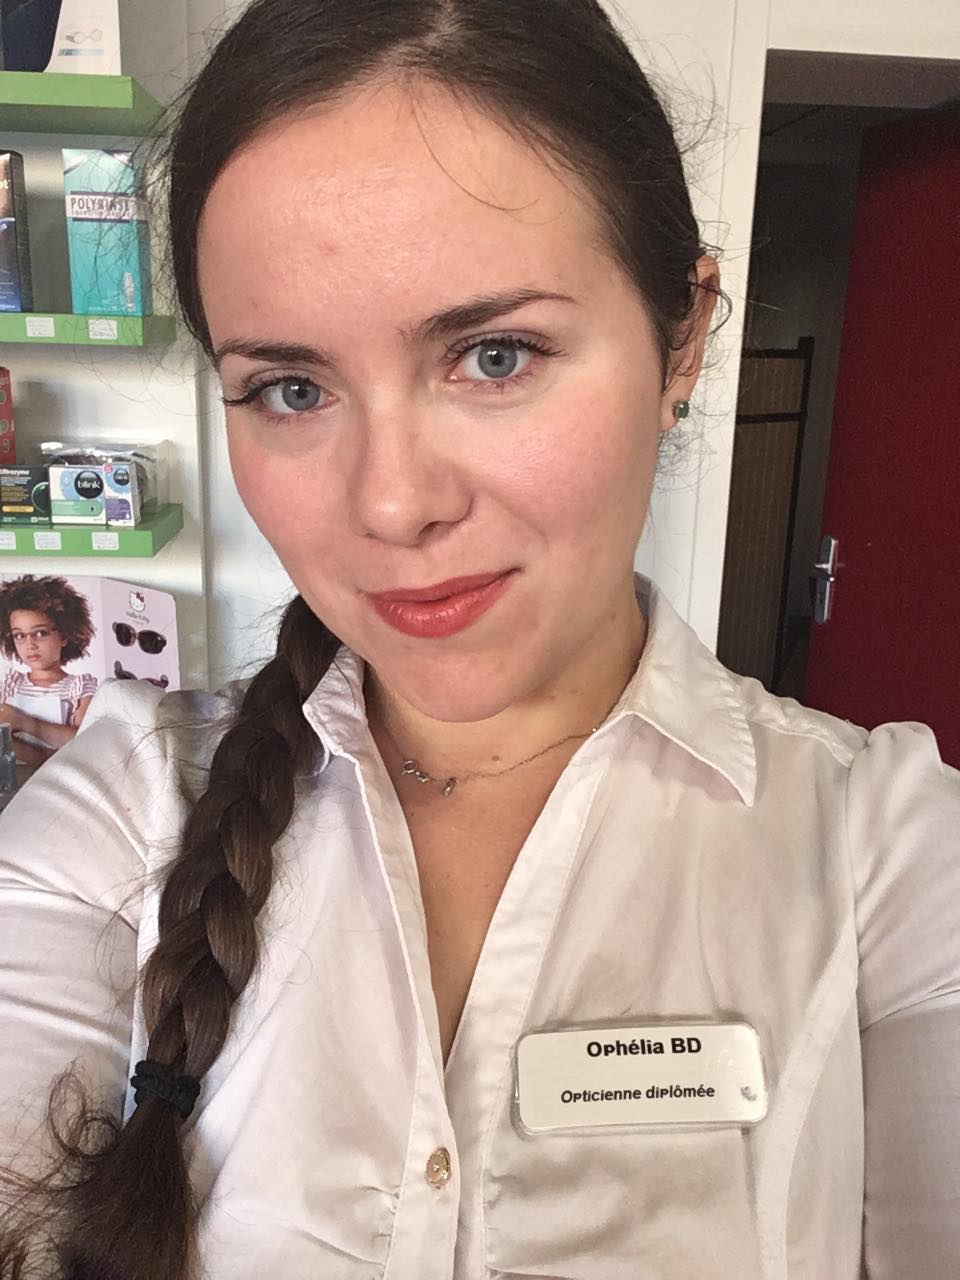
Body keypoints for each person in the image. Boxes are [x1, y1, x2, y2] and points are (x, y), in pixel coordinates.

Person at [0, 1, 958, 1277]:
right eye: (292, 388)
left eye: (495, 355)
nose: (394, 503)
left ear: (681, 337)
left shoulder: (890, 854)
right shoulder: (122, 811)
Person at [0, 574, 98, 765]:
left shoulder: (78, 688)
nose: (30, 644)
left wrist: (24, 722)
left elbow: (84, 746)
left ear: (64, 635)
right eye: (19, 635)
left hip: (60, 776)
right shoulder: (10, 685)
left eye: (40, 633)